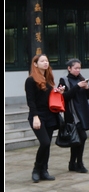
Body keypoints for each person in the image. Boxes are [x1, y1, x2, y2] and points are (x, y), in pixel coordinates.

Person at [25, 54, 64, 183]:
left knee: (47, 145)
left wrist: (58, 92)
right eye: (42, 61)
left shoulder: (48, 78)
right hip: (38, 115)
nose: (45, 63)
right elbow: (30, 101)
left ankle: (44, 171)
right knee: (45, 142)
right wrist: (35, 117)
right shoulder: (31, 80)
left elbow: (49, 97)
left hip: (50, 115)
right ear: (35, 64)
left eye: (46, 61)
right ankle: (36, 169)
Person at [59, 58, 89, 174]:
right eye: (75, 68)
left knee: (77, 139)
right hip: (72, 113)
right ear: (69, 68)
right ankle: (79, 163)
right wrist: (77, 86)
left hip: (83, 112)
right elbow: (64, 97)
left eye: (79, 68)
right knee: (82, 137)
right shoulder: (64, 80)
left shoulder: (81, 79)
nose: (78, 70)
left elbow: (88, 96)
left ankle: (72, 163)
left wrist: (87, 88)